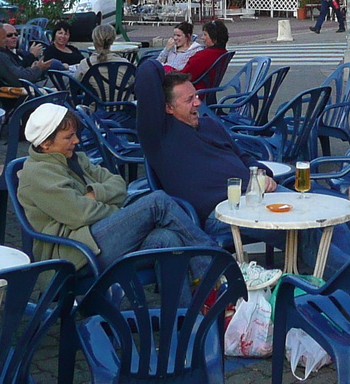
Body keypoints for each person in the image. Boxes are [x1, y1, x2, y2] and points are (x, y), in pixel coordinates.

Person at [16, 103, 216, 272]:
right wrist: (118, 210)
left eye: (75, 134)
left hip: (96, 238)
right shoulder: (38, 174)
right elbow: (81, 215)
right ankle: (214, 266)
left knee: (167, 239)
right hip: (74, 253)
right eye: (68, 137)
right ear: (45, 144)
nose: (76, 141)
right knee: (157, 201)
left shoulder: (75, 158)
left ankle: (179, 316)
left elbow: (119, 183)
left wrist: (94, 194)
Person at [134, 58, 274, 234]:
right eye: (189, 99)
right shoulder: (159, 135)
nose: (198, 103)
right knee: (295, 226)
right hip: (223, 210)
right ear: (169, 108)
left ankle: (309, 260)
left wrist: (262, 174)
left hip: (257, 194)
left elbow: (243, 157)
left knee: (310, 210)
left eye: (197, 96)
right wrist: (165, 64)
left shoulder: (210, 125)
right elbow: (147, 71)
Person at [0, 22, 50, 87]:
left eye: (16, 34)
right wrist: (39, 68)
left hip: (11, 89)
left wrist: (32, 69)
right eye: (4, 38)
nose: (6, 41)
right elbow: (20, 79)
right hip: (19, 94)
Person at [172, 19, 229, 84]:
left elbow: (184, 76)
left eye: (205, 35)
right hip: (208, 88)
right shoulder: (223, 52)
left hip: (193, 89)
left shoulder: (203, 55)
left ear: (214, 38)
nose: (202, 37)